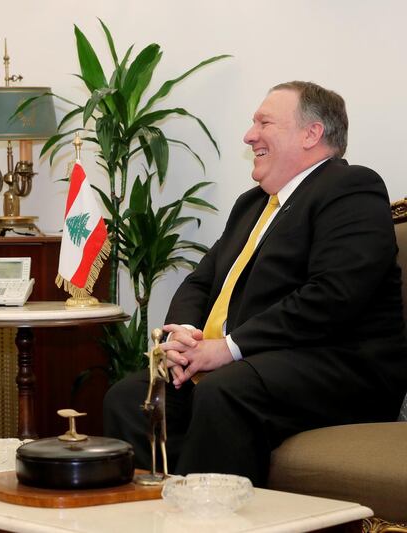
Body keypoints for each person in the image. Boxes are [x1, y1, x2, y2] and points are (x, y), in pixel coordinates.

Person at [103, 81, 407, 486]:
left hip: (341, 368)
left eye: (264, 122)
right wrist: (186, 337)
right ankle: (149, 516)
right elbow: (202, 280)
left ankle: (208, 521)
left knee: (224, 391)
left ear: (311, 133)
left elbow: (334, 296)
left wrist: (227, 349)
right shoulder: (253, 203)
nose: (249, 136)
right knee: (128, 397)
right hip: (258, 363)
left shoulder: (351, 188)